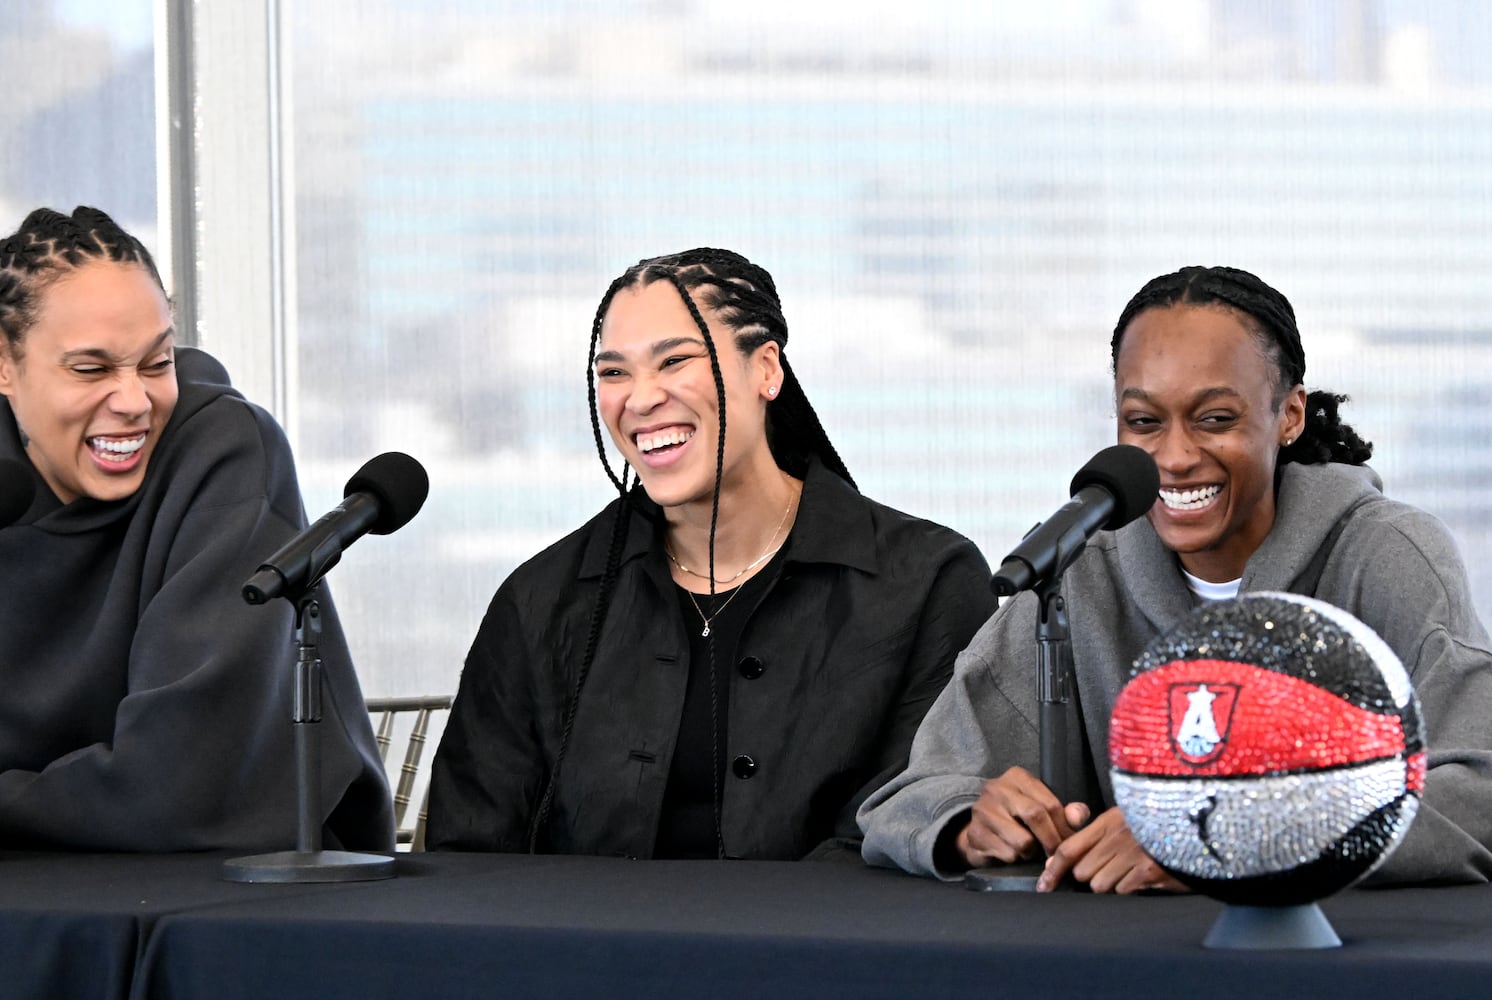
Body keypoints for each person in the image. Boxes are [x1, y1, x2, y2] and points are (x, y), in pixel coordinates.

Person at [859, 265, 1492, 892]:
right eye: (1144, 422)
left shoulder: (1386, 555)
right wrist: (973, 821)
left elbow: (1477, 791)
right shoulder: (1079, 568)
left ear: (1289, 414)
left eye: (1215, 419)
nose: (1176, 456)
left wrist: (1223, 837)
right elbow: (914, 793)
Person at [427, 248, 995, 859]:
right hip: (588, 952)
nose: (639, 399)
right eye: (613, 373)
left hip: (834, 949)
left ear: (766, 370)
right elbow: (470, 852)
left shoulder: (926, 582)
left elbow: (915, 826)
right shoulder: (542, 600)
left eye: (674, 360)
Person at [0, 206, 392, 851]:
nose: (133, 401)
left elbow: (177, 782)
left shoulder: (226, 452)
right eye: (92, 370)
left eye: (156, 363)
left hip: (233, 897)